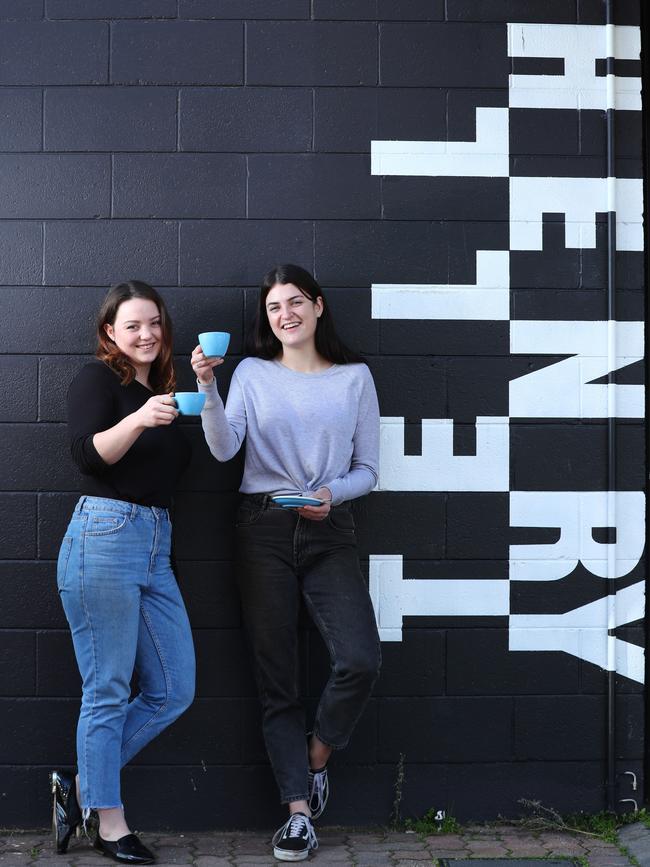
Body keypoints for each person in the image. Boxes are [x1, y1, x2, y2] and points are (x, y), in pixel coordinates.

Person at [192, 264, 381, 862]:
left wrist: (333, 495)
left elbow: (369, 471)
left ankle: (315, 760)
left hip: (329, 530)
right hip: (262, 529)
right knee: (278, 679)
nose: (285, 315)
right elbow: (225, 448)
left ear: (319, 307)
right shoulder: (251, 372)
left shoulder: (355, 378)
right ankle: (297, 814)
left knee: (358, 659)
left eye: (295, 302)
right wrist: (210, 391)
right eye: (274, 308)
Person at [51, 281, 195, 865]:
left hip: (155, 545)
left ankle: (82, 787)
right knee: (107, 687)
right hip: (104, 538)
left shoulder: (157, 388)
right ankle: (109, 822)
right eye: (133, 325)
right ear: (110, 332)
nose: (146, 334)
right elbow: (87, 455)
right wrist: (139, 419)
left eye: (155, 323)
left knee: (173, 689)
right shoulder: (98, 381)